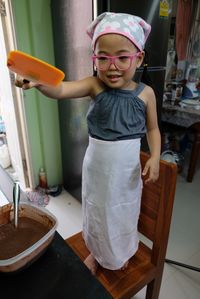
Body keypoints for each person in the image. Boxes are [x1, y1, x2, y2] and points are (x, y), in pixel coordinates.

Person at [15, 12, 161, 275]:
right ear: (95, 59)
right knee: (97, 214)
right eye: (103, 58)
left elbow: (153, 129)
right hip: (97, 170)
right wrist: (39, 82)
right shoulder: (95, 85)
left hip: (126, 174)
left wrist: (154, 156)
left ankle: (119, 254)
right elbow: (61, 90)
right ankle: (97, 253)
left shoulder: (146, 94)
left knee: (122, 214)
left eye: (122, 57)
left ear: (138, 58)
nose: (112, 66)